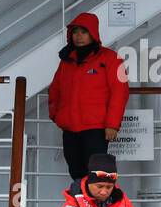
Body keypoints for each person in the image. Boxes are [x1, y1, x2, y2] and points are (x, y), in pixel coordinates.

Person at [48, 12, 130, 180]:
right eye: (75, 32)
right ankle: (81, 204)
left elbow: (119, 92)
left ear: (93, 33)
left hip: (97, 128)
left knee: (96, 174)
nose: (78, 36)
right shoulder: (66, 61)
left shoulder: (110, 58)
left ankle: (96, 205)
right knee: (76, 172)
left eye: (83, 32)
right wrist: (57, 115)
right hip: (70, 128)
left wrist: (112, 125)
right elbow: (55, 89)